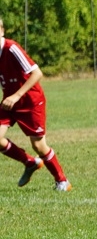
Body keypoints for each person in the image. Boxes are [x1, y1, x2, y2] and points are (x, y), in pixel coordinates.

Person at [0, 18, 71, 192]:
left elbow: (37, 73)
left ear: (1, 31)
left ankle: (62, 181)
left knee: (38, 145)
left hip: (30, 101)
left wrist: (16, 96)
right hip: (9, 102)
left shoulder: (11, 48)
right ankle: (30, 162)